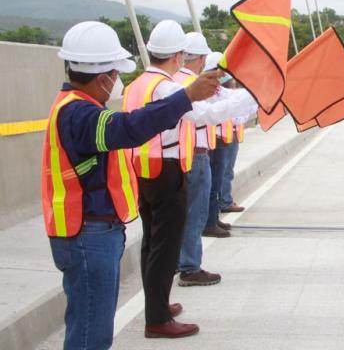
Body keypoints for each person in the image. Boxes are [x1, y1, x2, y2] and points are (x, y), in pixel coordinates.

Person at [43, 21, 220, 349]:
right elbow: (128, 128)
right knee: (91, 335)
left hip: (89, 230)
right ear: (103, 77)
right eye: (115, 73)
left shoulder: (75, 108)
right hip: (87, 233)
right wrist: (185, 97)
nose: (117, 80)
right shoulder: (80, 114)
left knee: (91, 325)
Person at [124, 21, 258, 338]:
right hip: (166, 169)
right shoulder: (167, 87)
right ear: (177, 56)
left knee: (152, 243)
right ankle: (157, 319)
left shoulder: (139, 84)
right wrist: (253, 96)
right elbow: (204, 115)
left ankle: (157, 303)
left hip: (143, 167)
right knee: (166, 245)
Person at [173, 35, 255, 278]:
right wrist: (257, 92)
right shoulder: (194, 84)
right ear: (200, 59)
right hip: (195, 153)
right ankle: (189, 266)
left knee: (181, 213)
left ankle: (179, 261)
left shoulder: (173, 81)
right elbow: (213, 111)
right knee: (195, 214)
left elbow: (225, 98)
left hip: (179, 155)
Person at [203, 52, 254, 236]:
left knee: (217, 182)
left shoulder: (217, 90)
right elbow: (230, 105)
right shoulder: (206, 90)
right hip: (214, 141)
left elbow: (233, 97)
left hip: (221, 140)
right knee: (213, 183)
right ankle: (210, 222)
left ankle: (213, 218)